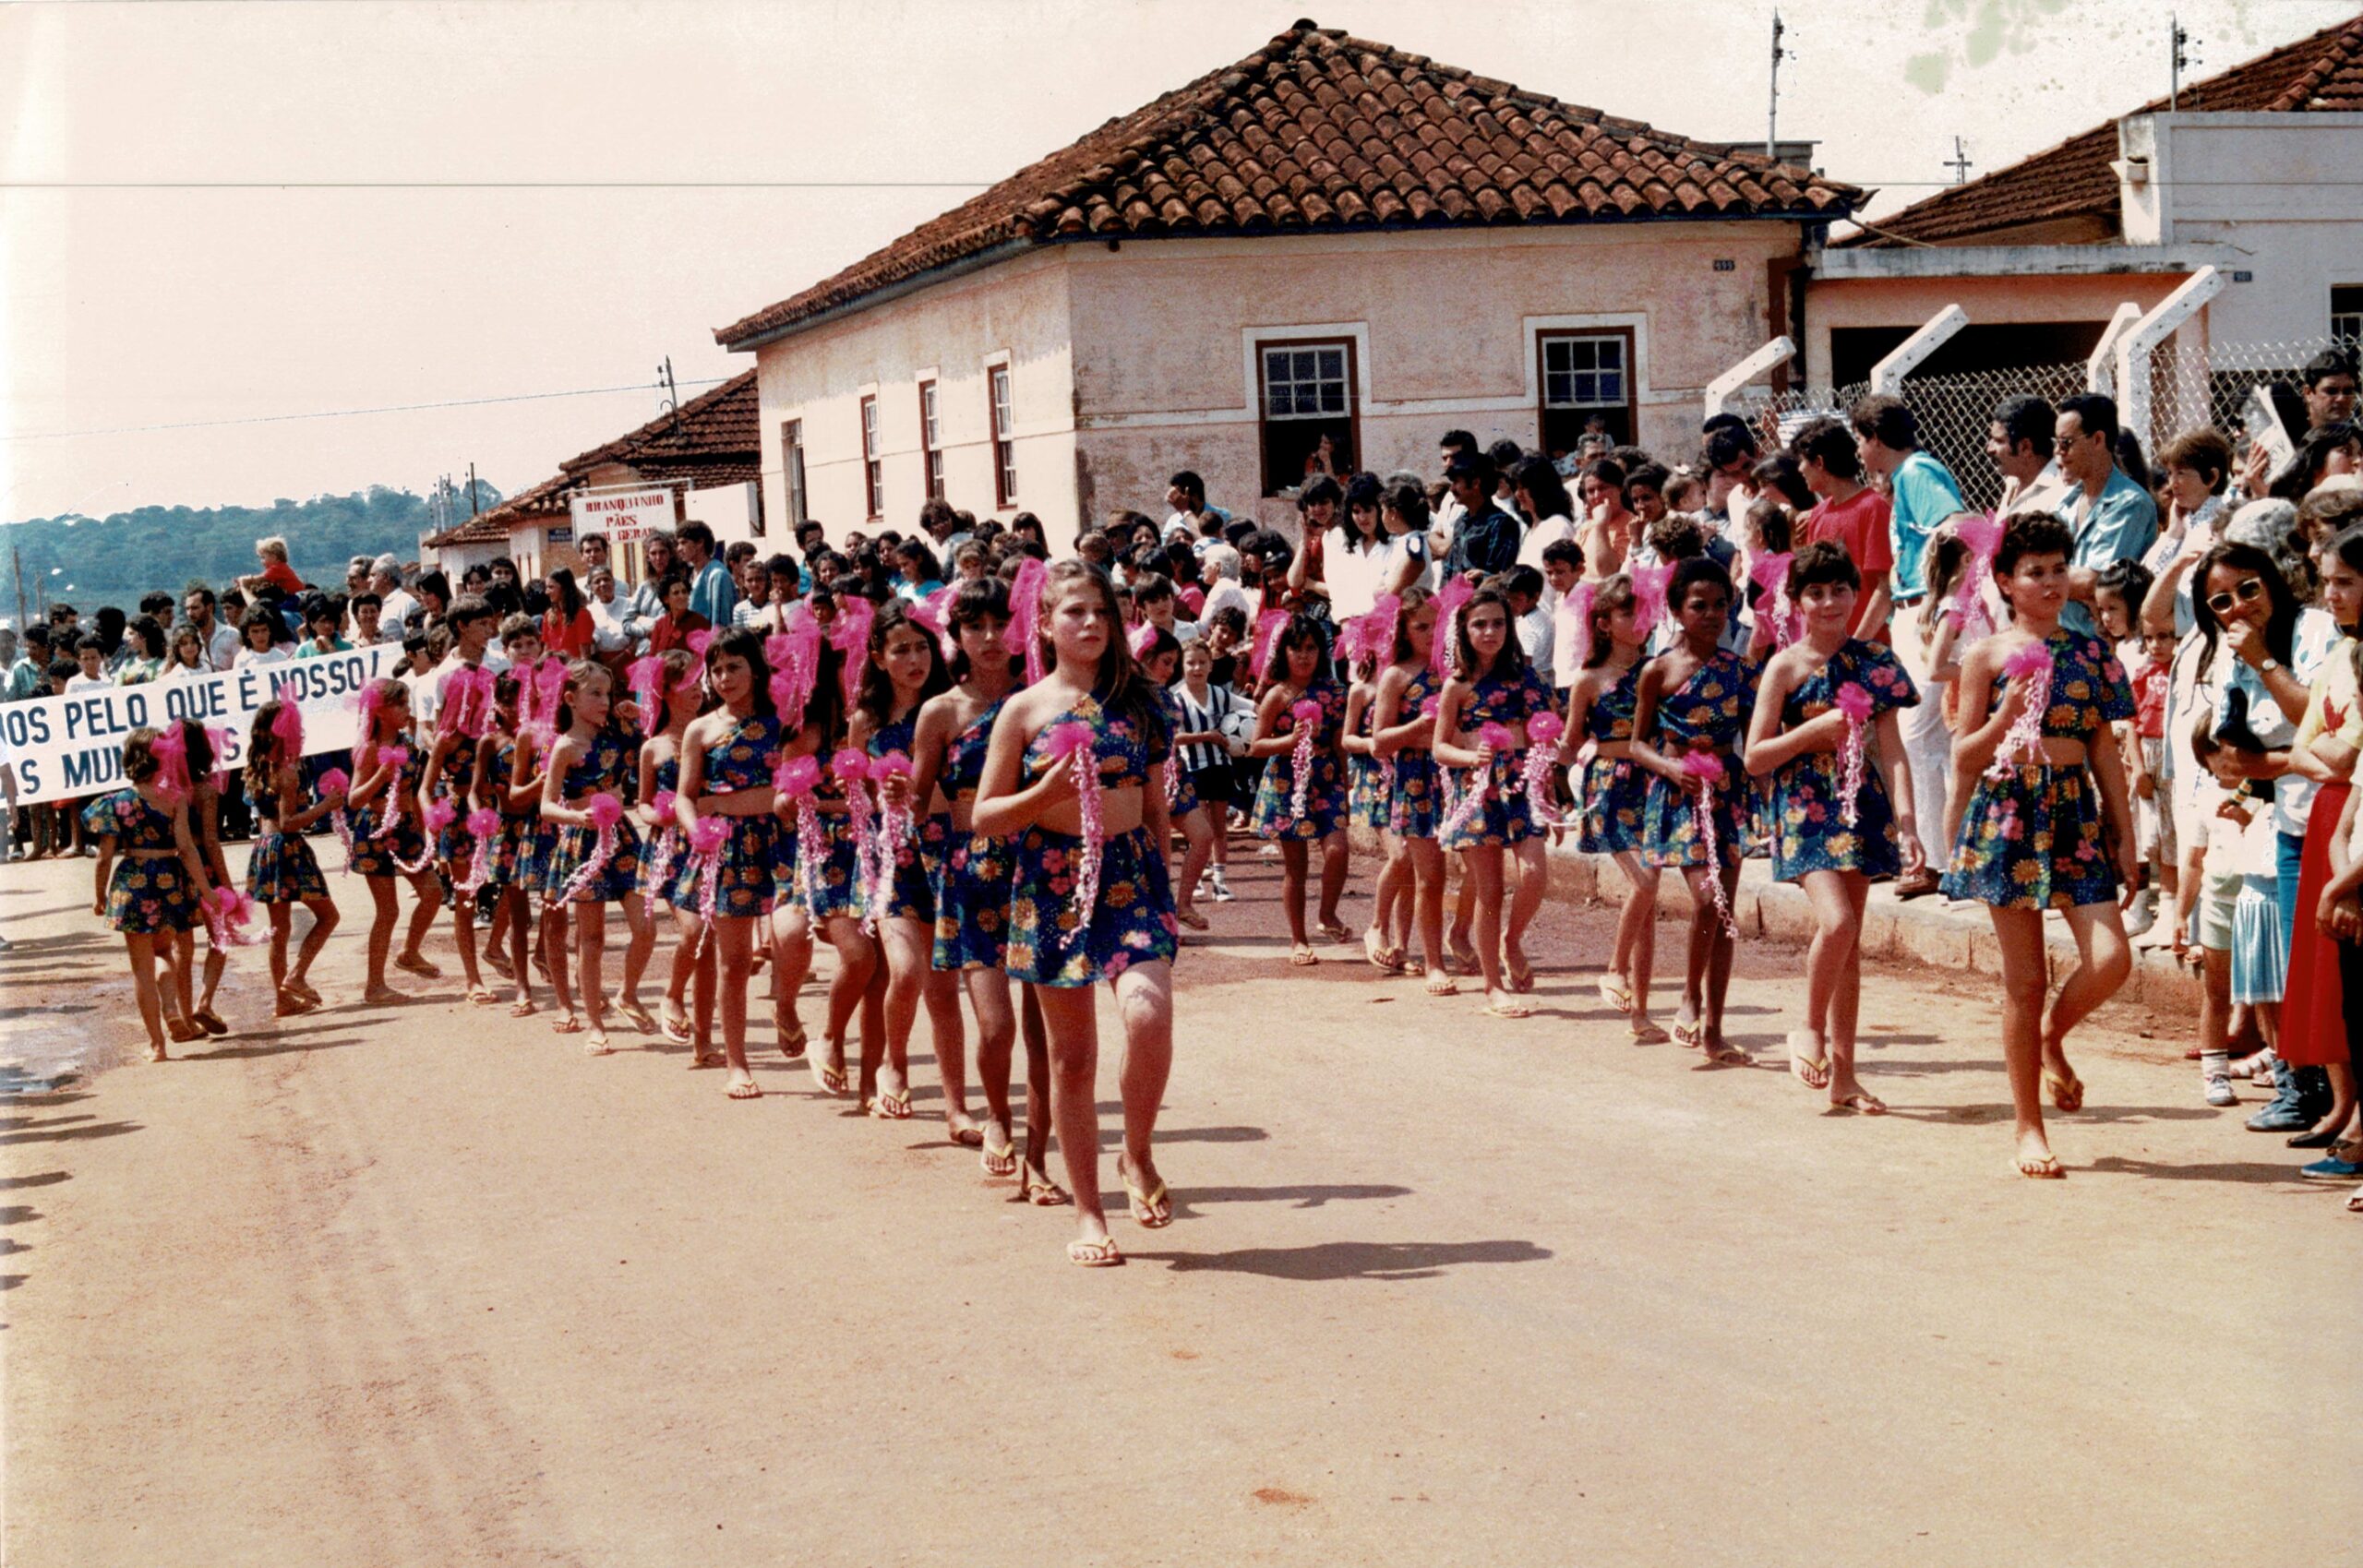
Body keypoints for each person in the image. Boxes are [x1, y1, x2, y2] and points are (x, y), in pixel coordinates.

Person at [971, 559, 1179, 1267]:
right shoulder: (1023, 710)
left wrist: (1166, 883)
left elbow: (1156, 806)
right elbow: (986, 815)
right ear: (1044, 624)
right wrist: (1045, 791)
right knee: (1072, 1057)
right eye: (1074, 612)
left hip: (1130, 877)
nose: (1091, 623)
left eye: (1101, 611)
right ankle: (1091, 1213)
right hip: (1052, 884)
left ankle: (1137, 1152)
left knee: (1148, 1013)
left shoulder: (1143, 700)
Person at [1941, 513, 2138, 1178]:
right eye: (2034, 572)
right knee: (2025, 982)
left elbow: (2103, 749)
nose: (2050, 583)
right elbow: (1965, 755)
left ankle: (2053, 1035)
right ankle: (2029, 1127)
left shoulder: (2092, 652)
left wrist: (2126, 833)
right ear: (2005, 581)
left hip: (2075, 812)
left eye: (2059, 569)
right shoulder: (1985, 656)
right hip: (2008, 816)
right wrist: (2004, 714)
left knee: (2111, 958)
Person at [1745, 542, 1922, 1112]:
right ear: (1796, 601)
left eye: (1839, 590)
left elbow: (1892, 751)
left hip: (1858, 805)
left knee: (1848, 944)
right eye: (1815, 593)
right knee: (1838, 921)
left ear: (1855, 594)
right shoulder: (1784, 666)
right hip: (1802, 807)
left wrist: (1909, 823)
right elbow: (1754, 756)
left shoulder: (1876, 660)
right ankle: (1807, 1027)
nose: (1828, 603)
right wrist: (1810, 735)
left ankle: (1844, 1077)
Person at [858, 603, 966, 1130]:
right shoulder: (866, 721)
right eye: (901, 649)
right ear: (879, 658)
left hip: (946, 853)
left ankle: (956, 1106)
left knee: (944, 989)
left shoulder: (951, 709)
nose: (915, 658)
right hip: (893, 858)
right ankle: (894, 1062)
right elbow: (859, 796)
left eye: (923, 646)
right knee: (904, 970)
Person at [671, 628, 787, 1098]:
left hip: (782, 843)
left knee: (794, 941)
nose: (724, 678)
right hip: (728, 850)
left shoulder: (785, 720)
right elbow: (685, 796)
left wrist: (730, 805)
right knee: (735, 961)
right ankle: (737, 1063)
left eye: (734, 667)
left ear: (756, 669)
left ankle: (788, 1009)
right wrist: (696, 829)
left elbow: (792, 785)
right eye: (716, 670)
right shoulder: (700, 729)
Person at [1433, 585, 1554, 1018]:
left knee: (1534, 874)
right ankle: (1492, 986)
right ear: (1465, 630)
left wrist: (1548, 790)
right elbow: (1439, 747)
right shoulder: (1457, 686)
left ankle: (1512, 940)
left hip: (1521, 785)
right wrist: (1472, 757)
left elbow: (1542, 737)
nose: (1490, 632)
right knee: (1489, 891)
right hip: (1477, 789)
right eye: (1480, 624)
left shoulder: (1527, 678)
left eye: (1498, 623)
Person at [537, 660, 652, 1054]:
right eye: (596, 694)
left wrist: (640, 713)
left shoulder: (618, 734)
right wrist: (576, 817)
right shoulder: (564, 747)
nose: (606, 701)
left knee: (646, 927)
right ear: (571, 699)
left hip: (622, 838)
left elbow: (660, 740)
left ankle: (627, 994)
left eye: (609, 692)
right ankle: (595, 1024)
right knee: (592, 939)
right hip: (582, 845)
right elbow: (546, 806)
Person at [1567, 574, 1662, 1037]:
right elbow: (1571, 741)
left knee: (1646, 900)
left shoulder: (1658, 670)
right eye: (1628, 612)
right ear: (1604, 623)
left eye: (1643, 610)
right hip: (1610, 785)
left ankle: (1641, 1013)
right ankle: (1614, 967)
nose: (1639, 620)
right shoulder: (1588, 680)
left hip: (1653, 782)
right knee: (1645, 882)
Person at [85, 728, 210, 1061]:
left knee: (141, 968)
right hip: (170, 879)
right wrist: (207, 891)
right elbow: (187, 848)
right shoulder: (175, 798)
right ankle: (171, 1007)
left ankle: (157, 1046)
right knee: (164, 951)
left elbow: (104, 857)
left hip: (133, 881)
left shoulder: (116, 803)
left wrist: (99, 897)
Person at [1246, 614, 1350, 964]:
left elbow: (1339, 743)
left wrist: (1345, 787)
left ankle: (1328, 914)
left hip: (1326, 779)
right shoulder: (1277, 695)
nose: (1304, 655)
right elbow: (1257, 746)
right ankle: (1298, 940)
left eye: (1311, 648)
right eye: (1296, 648)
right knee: (1297, 867)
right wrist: (1289, 741)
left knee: (1337, 849)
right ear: (1283, 652)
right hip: (1286, 783)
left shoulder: (1335, 693)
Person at [344, 677, 442, 1003]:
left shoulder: (407, 743)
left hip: (406, 829)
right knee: (388, 911)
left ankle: (410, 952)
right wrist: (380, 776)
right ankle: (374, 986)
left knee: (433, 893)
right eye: (399, 704)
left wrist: (422, 828)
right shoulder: (369, 748)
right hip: (376, 832)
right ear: (380, 710)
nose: (406, 709)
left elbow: (413, 789)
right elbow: (354, 799)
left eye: (406, 702)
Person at [243, 700, 342, 1015]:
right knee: (328, 916)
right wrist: (324, 806)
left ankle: (282, 1000)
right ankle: (297, 975)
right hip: (287, 848)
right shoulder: (286, 772)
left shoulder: (259, 765)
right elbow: (288, 823)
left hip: (264, 847)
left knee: (279, 930)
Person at [2054, 393, 2159, 638]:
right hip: (2061, 638)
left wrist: (2036, 577)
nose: (2059, 452)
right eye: (2056, 443)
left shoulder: (2130, 503)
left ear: (2098, 440)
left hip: (2103, 645)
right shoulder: (2065, 504)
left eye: (2066, 443)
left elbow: (2094, 583)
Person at [1792, 418, 1894, 640]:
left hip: (1865, 646)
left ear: (1819, 462)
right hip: (1825, 647)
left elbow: (1885, 586)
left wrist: (1856, 645)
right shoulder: (1818, 514)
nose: (1799, 469)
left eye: (1802, 461)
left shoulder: (1873, 507)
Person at [1439, 452, 1519, 582]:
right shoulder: (1461, 523)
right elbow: (1449, 573)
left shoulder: (1502, 525)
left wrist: (1483, 577)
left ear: (1476, 483)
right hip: (1455, 595)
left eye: (1456, 482)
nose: (1451, 489)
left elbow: (1499, 579)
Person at [678, 521, 738, 628]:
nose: (679, 549)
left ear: (700, 542)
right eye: (678, 544)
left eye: (684, 543)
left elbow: (721, 624)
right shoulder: (692, 574)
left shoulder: (717, 575)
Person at [182, 584, 243, 670]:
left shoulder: (232, 635)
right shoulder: (190, 641)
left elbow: (243, 667)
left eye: (195, 608)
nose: (190, 613)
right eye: (187, 609)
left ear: (209, 608)